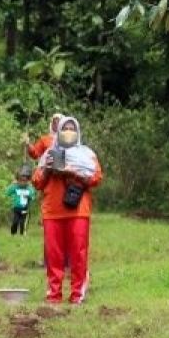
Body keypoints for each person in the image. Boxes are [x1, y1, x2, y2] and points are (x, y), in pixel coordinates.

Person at [33, 116, 103, 305]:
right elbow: (37, 182)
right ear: (58, 132)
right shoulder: (48, 153)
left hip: (78, 209)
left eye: (72, 129)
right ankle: (53, 294)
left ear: (78, 132)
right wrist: (48, 170)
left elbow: (96, 177)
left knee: (78, 253)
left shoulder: (87, 154)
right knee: (53, 254)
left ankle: (77, 295)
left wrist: (73, 172)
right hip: (52, 210)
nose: (68, 132)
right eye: (65, 129)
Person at [5, 168, 36, 236]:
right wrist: (12, 184)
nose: (22, 183)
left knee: (22, 222)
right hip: (16, 208)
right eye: (20, 181)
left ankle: (22, 234)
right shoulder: (15, 187)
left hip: (25, 209)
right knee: (15, 221)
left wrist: (29, 197)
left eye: (24, 181)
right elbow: (7, 192)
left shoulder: (29, 188)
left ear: (27, 181)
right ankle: (13, 233)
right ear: (18, 180)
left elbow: (33, 196)